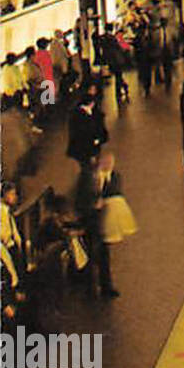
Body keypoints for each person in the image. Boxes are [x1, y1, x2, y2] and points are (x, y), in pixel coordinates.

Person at [74, 151, 121, 298]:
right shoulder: (87, 176)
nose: (109, 165)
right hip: (89, 219)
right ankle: (89, 287)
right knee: (90, 253)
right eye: (106, 162)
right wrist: (92, 204)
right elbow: (79, 197)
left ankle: (106, 286)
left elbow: (116, 194)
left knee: (103, 254)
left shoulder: (115, 176)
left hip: (104, 221)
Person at [66, 87, 109, 164]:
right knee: (88, 164)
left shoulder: (76, 113)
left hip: (86, 145)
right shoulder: (80, 115)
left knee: (88, 164)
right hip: (86, 145)